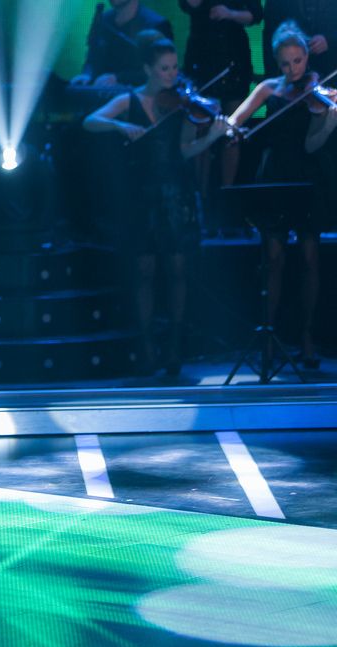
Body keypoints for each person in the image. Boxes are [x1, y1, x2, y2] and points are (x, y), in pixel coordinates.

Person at [84, 34, 229, 376]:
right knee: (144, 272)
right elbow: (89, 122)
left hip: (175, 193)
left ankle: (175, 346)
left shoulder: (181, 105)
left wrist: (211, 136)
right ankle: (147, 346)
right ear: (148, 69)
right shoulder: (129, 99)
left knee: (177, 270)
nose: (172, 74)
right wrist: (119, 125)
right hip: (141, 195)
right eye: (164, 68)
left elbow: (185, 151)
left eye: (174, 68)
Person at [228, 21, 328, 368]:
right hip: (274, 175)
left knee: (310, 258)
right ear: (276, 62)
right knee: (273, 259)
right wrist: (232, 129)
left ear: (306, 57)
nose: (293, 70)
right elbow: (236, 118)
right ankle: (269, 339)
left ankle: (307, 337)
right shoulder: (269, 88)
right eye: (285, 63)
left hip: (307, 175)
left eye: (298, 61)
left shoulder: (318, 88)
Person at [178, 0, 263, 189]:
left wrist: (230, 13)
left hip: (234, 60)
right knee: (201, 127)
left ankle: (227, 189)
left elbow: (255, 15)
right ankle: (201, 192)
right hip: (202, 58)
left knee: (232, 129)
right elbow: (188, 5)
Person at [73, 0, 174, 88]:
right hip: (100, 94)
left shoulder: (156, 24)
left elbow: (161, 70)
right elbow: (92, 58)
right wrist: (87, 75)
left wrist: (119, 78)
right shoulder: (103, 20)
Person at [263, 0, 337, 78]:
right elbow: (269, 32)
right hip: (287, 72)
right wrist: (271, 77)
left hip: (329, 68)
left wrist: (329, 40)